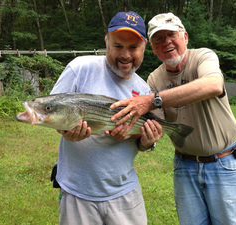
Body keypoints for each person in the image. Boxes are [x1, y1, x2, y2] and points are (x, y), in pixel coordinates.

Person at [110, 12, 236, 225]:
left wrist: (153, 100)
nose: (166, 42)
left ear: (184, 37)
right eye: (158, 39)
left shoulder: (203, 56)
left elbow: (213, 84)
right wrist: (145, 139)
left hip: (224, 163)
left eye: (171, 34)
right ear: (153, 48)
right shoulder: (155, 78)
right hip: (184, 166)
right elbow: (155, 126)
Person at [50, 11, 163, 225]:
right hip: (77, 191)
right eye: (118, 46)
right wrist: (66, 132)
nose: (125, 55)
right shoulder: (80, 68)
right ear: (106, 42)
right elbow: (54, 111)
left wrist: (148, 142)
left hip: (125, 192)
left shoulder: (143, 89)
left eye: (133, 48)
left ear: (144, 47)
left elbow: (142, 141)